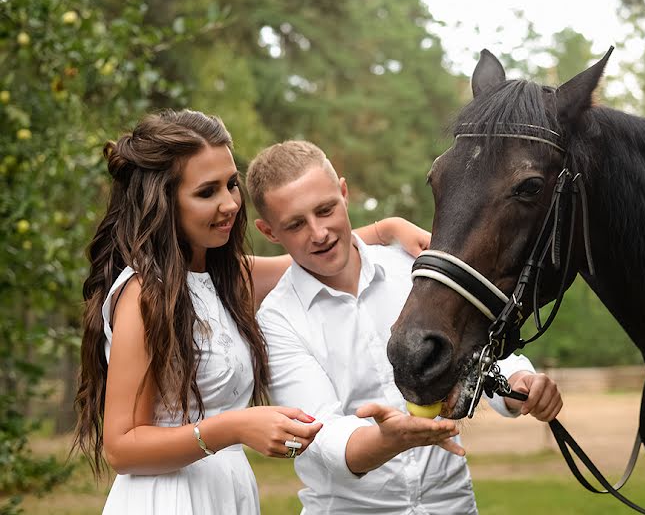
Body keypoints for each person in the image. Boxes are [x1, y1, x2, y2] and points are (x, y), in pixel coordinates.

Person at [73, 109, 431, 515]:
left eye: (231, 184)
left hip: (230, 494)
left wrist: (389, 229)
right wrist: (236, 427)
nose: (228, 204)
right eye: (207, 192)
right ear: (163, 201)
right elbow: (121, 447)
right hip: (168, 499)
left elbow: (314, 248)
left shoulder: (229, 278)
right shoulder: (145, 294)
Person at [248, 140, 564, 514]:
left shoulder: (411, 267)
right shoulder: (277, 319)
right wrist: (391, 440)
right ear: (269, 232)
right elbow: (321, 438)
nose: (319, 233)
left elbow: (472, 350)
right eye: (296, 224)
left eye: (326, 209)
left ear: (344, 193)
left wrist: (520, 386)